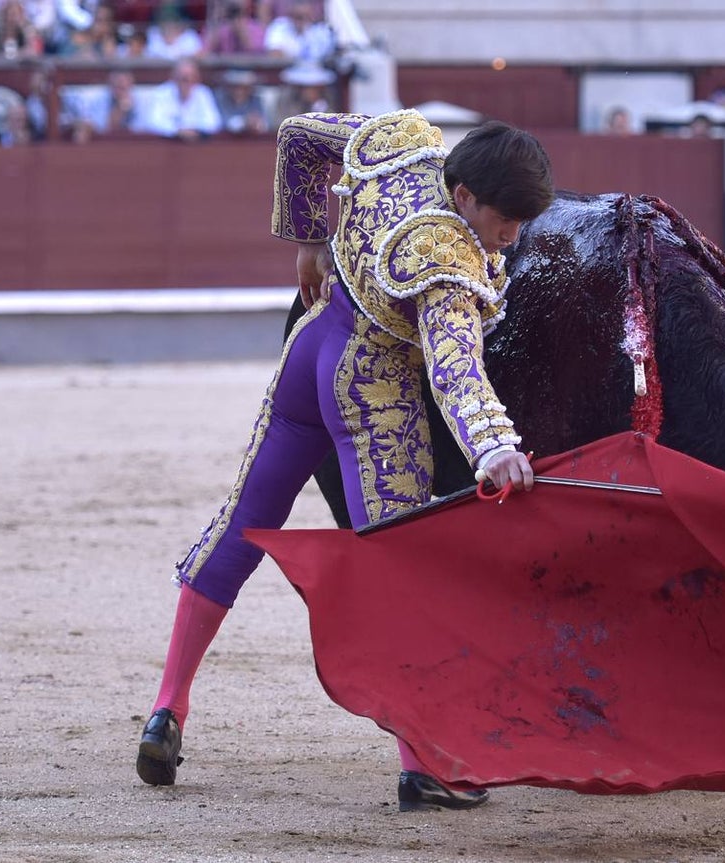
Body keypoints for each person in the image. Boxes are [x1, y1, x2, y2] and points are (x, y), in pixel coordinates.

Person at [134, 109, 555, 812]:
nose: (511, 233)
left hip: (311, 348)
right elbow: (455, 369)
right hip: (372, 388)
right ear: (464, 197)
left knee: (240, 522)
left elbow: (299, 134)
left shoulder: (402, 141)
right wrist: (496, 446)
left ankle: (166, 708)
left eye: (521, 218)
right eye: (504, 217)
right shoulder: (445, 256)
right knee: (400, 567)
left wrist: (309, 242)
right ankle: (422, 763)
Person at [136, 57, 222, 139]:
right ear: (174, 78)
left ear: (197, 79)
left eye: (191, 77)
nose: (187, 81)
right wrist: (177, 131)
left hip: (197, 144)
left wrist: (193, 130)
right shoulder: (161, 93)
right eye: (183, 78)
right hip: (166, 146)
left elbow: (214, 122)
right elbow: (152, 122)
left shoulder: (203, 93)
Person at [262, 0, 332, 64]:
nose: (301, 20)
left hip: (319, 74)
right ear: (290, 13)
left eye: (305, 16)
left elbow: (328, 56)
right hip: (288, 74)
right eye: (298, 16)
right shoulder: (279, 26)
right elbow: (274, 54)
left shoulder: (321, 30)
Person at [214, 66, 268, 134]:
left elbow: (265, 125)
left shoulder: (256, 100)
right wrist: (245, 121)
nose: (239, 91)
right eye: (235, 87)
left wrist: (257, 124)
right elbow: (223, 123)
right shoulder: (221, 99)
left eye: (244, 87)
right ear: (228, 87)